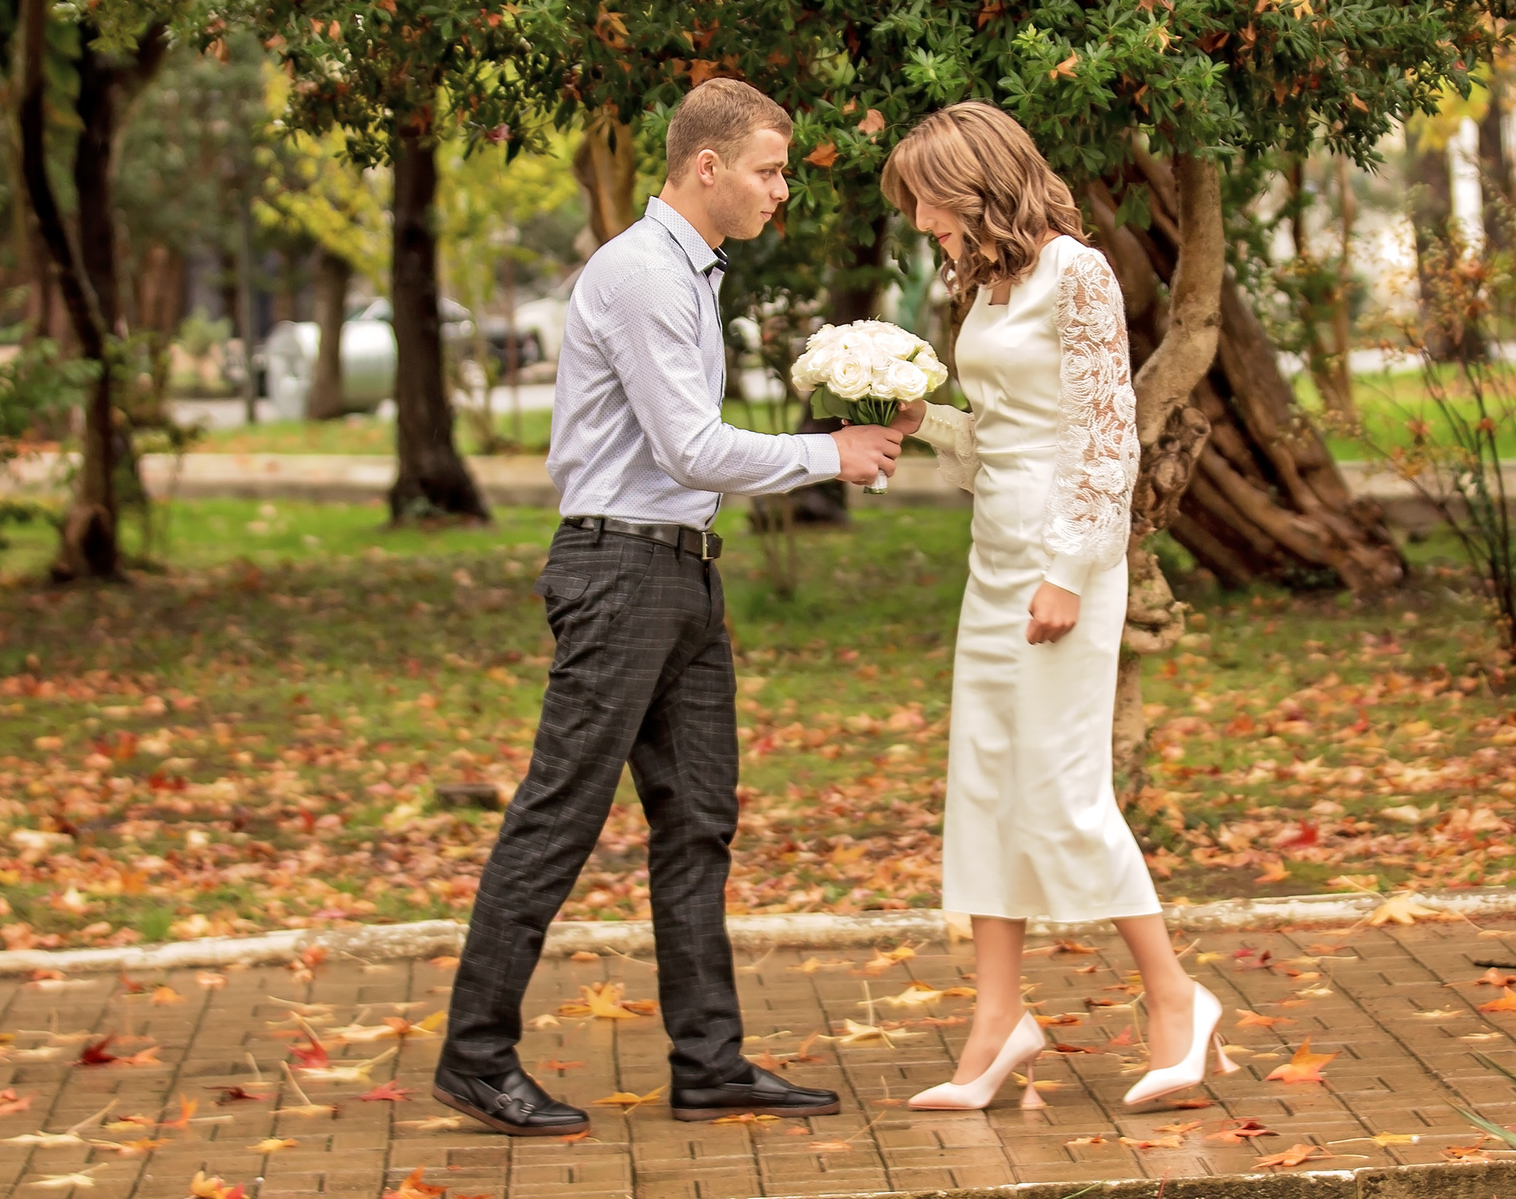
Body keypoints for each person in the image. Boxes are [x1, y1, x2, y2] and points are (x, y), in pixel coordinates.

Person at [432, 79, 910, 1136]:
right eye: (768, 169)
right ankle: (474, 1056)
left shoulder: (691, 272)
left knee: (697, 823)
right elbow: (689, 446)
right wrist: (828, 452)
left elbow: (690, 455)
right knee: (559, 812)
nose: (780, 188)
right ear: (707, 167)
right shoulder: (642, 273)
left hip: (681, 571)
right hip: (618, 575)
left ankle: (709, 1062)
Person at [881, 102, 1229, 1114]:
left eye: (927, 203)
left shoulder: (1076, 271)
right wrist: (924, 421)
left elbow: (1105, 436)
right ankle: (997, 1027)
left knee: (1063, 792)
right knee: (984, 785)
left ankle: (1177, 1001)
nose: (920, 224)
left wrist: (1070, 571)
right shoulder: (988, 290)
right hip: (994, 553)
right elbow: (998, 438)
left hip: (1056, 557)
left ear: (975, 182)